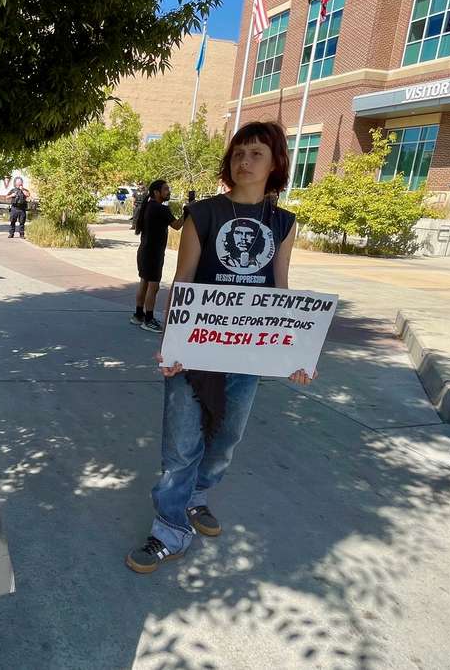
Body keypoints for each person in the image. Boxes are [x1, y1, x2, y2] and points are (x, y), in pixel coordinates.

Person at [126, 122, 315, 574]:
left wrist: (295, 355)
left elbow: (280, 290)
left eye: (256, 154)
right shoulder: (203, 214)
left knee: (226, 439)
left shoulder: (283, 223)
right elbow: (184, 280)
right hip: (195, 349)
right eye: (238, 153)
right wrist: (172, 343)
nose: (244, 161)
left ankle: (197, 495)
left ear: (275, 165)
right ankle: (168, 529)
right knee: (181, 445)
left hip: (247, 353)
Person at [131, 179, 184, 332]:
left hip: (144, 251)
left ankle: (138, 315)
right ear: (156, 192)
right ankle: (148, 320)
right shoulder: (161, 209)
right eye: (166, 189)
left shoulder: (148, 205)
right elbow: (177, 225)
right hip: (153, 253)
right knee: (153, 287)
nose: (169, 192)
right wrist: (188, 212)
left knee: (144, 282)